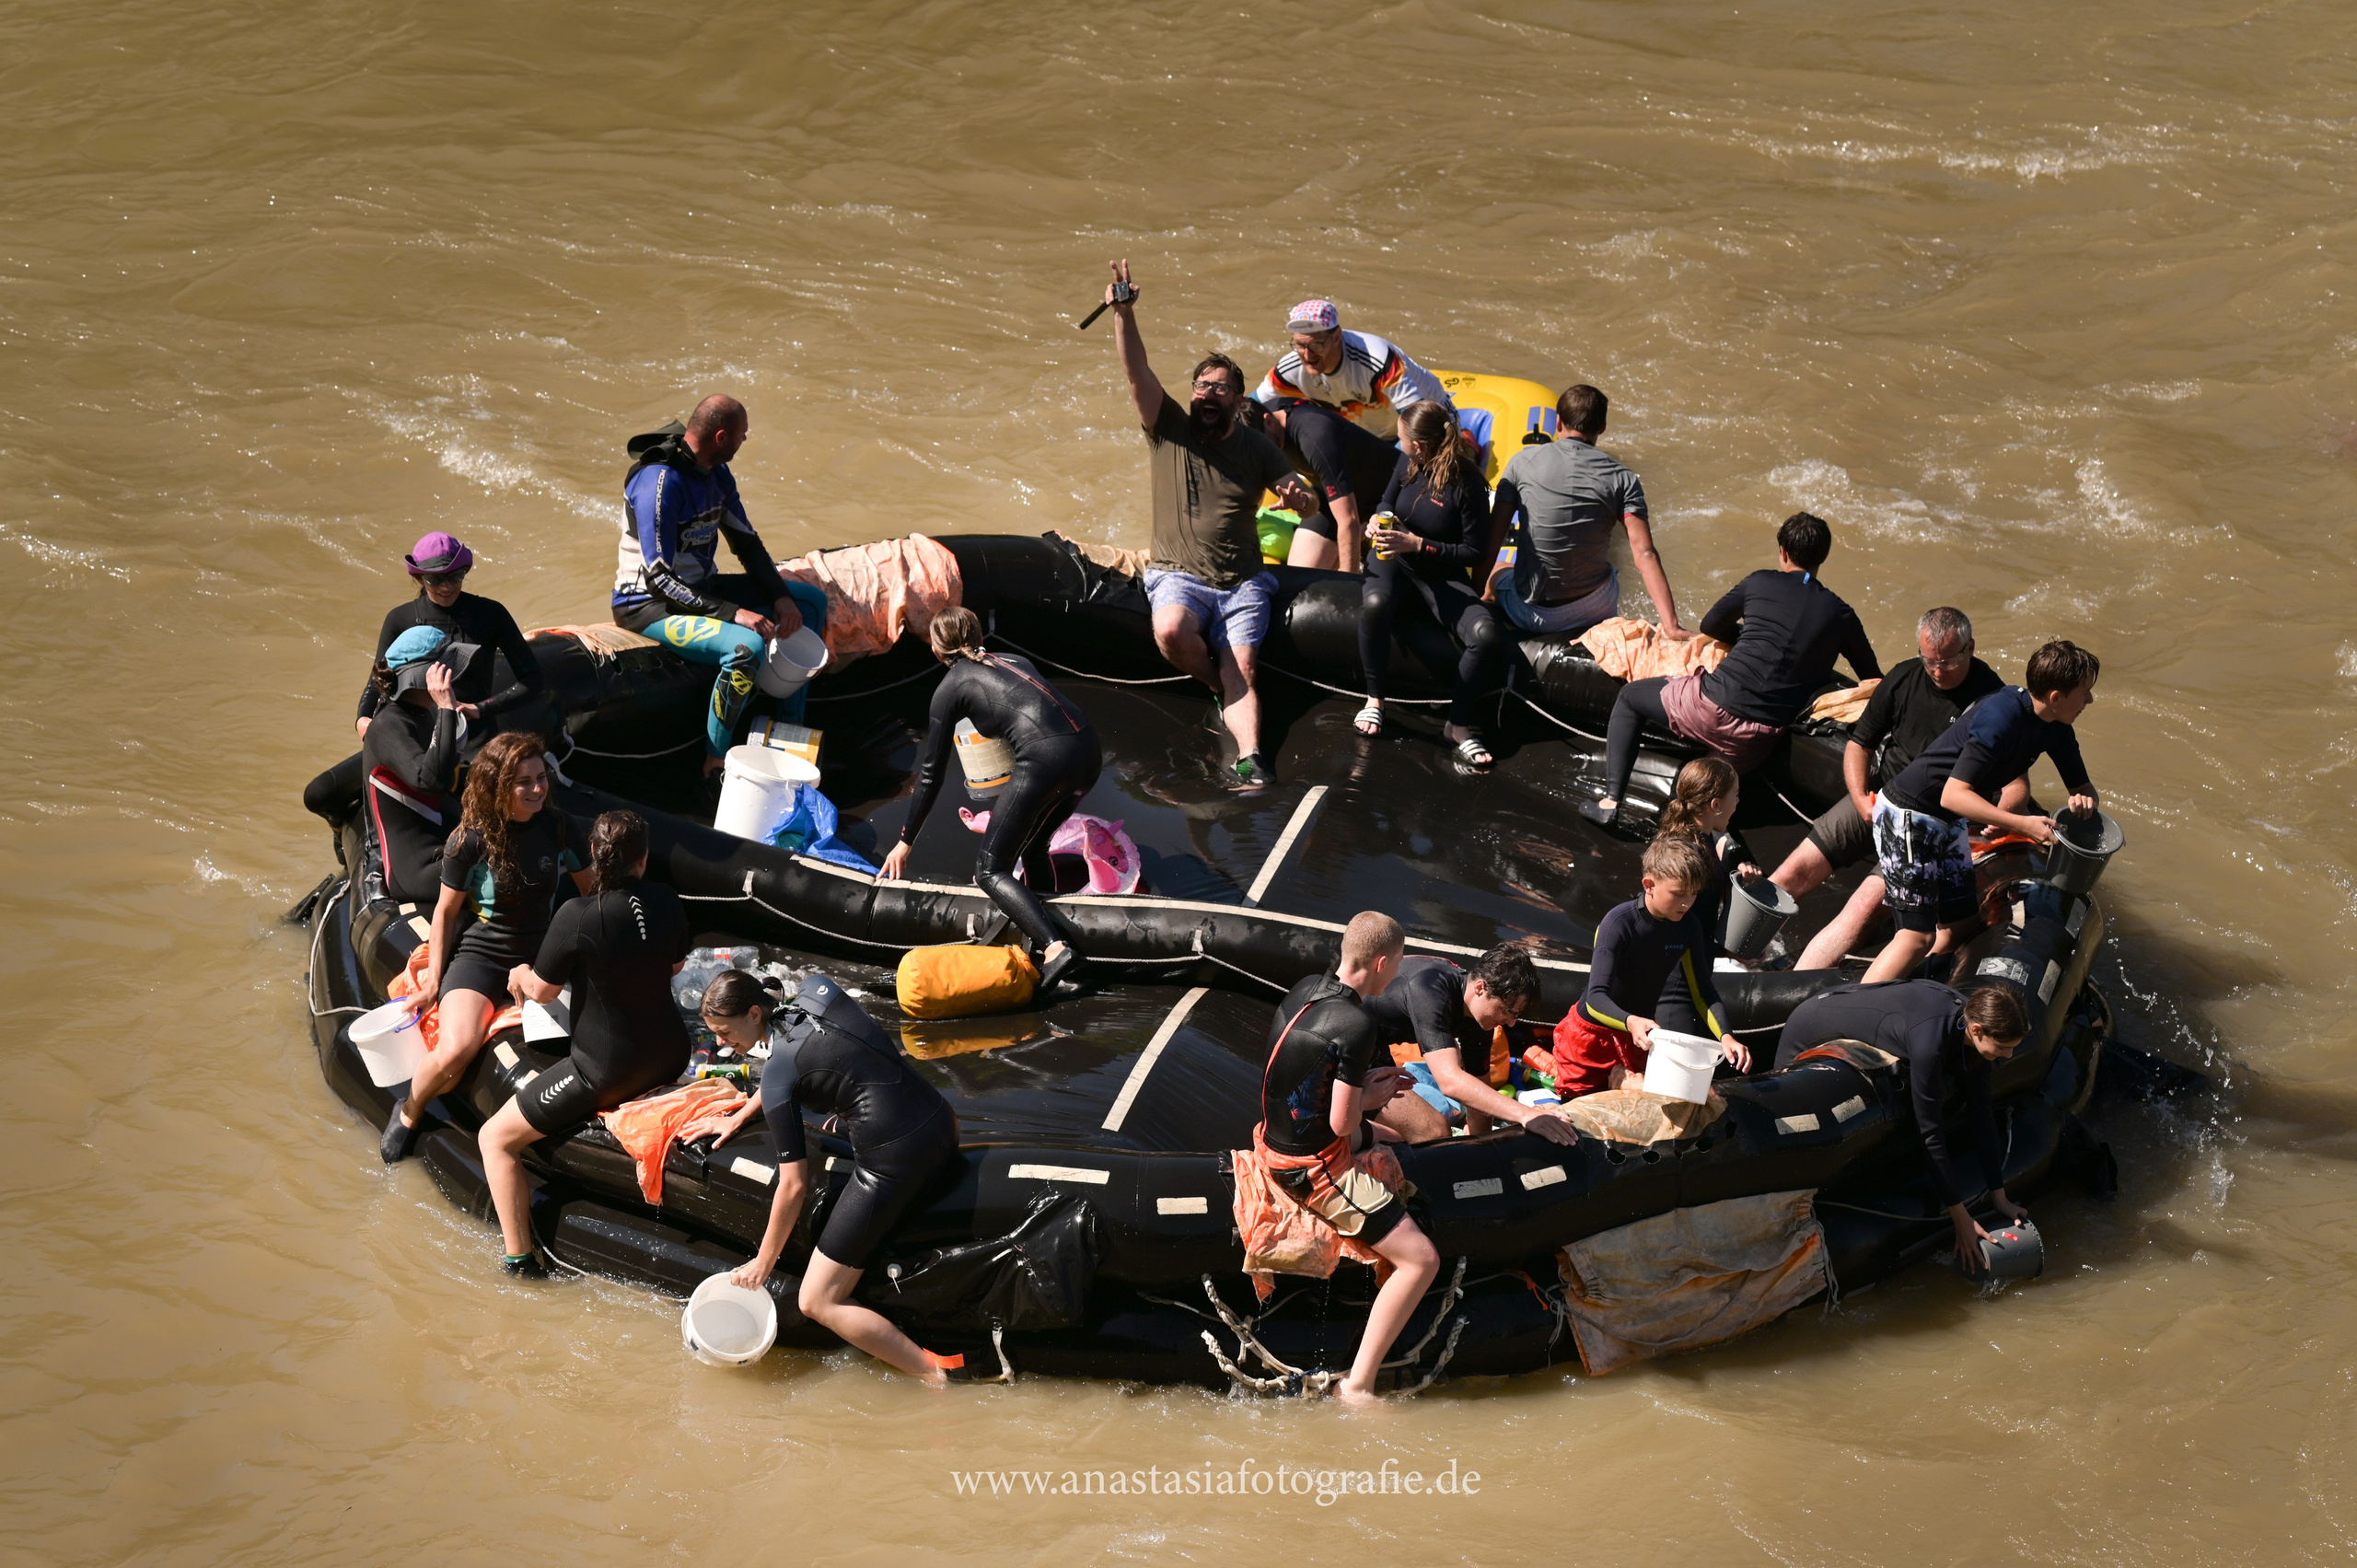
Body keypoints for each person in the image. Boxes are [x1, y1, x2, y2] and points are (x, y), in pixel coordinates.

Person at [1103, 260, 1319, 788]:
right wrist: (1124, 314)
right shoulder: (1169, 429)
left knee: (1242, 666)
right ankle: (1220, 689)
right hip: (1179, 575)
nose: (1206, 393)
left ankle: (1251, 757)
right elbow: (1137, 373)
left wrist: (1301, 498)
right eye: (1201, 385)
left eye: (1220, 388)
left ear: (1238, 400)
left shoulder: (1258, 448)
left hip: (1243, 581)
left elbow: (1309, 504)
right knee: (1171, 629)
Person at [718, 970, 972, 1385]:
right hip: (940, 1120)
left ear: (753, 1014)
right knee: (841, 1114)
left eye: (725, 1032)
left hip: (897, 1161)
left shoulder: (778, 1074)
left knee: (817, 1300)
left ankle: (936, 1376)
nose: (720, 1043)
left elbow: (794, 1185)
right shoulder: (818, 990)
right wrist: (741, 1115)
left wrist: (764, 1262)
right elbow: (816, 1057)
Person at [480, 811, 692, 1277]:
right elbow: (674, 967)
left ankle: (519, 1261)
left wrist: (519, 972)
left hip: (606, 1071)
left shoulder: (576, 914)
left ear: (594, 855)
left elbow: (542, 991)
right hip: (672, 1054)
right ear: (644, 858)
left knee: (493, 1138)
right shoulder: (667, 899)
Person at [1583, 512, 1881, 829]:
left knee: (1630, 698)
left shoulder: (1760, 581)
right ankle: (1706, 828)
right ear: (1823, 557)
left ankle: (1610, 802)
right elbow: (1873, 679)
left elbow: (1710, 625)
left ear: (1783, 551)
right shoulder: (1842, 614)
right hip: (1755, 740)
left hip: (1709, 706)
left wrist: (1748, 636)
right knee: (1705, 786)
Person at [1255, 912, 1439, 1406]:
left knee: (1394, 1140)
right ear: (1381, 963)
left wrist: (1369, 1089)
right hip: (1310, 1163)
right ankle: (1356, 1387)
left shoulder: (1307, 988)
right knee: (1421, 1260)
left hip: (1281, 1132)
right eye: (1396, 965)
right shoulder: (1358, 1023)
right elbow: (1341, 1125)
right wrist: (1373, 1098)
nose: (1395, 975)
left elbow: (1304, 1074)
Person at [382, 732, 591, 1164]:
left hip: (541, 957)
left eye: (541, 777)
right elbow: (445, 913)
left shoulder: (558, 826)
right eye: (524, 782)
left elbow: (593, 894)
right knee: (457, 1049)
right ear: (498, 786)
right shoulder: (470, 841)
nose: (538, 788)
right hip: (483, 957)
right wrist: (432, 983)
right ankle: (409, 1110)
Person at [1769, 608, 2012, 970]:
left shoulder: (1994, 701)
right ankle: (1730, 955)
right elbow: (1859, 745)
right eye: (1929, 660)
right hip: (1881, 794)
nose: (1937, 671)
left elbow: (2015, 783)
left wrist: (2001, 817)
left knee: (1864, 905)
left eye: (1948, 661)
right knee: (1793, 870)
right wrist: (1860, 800)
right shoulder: (1904, 677)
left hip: (1931, 824)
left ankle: (1795, 986)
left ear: (1970, 648)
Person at [878, 607, 1100, 996]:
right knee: (1034, 847)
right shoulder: (1015, 660)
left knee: (989, 869)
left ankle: (1056, 949)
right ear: (980, 636)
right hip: (1089, 750)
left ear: (936, 651)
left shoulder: (950, 688)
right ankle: (1047, 933)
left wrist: (905, 841)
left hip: (1046, 759)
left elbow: (930, 774)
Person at [610, 394, 830, 769]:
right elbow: (660, 579)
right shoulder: (659, 483)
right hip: (648, 604)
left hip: (701, 590)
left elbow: (747, 544)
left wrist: (780, 597)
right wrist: (733, 613)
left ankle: (788, 730)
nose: (745, 440)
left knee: (810, 602)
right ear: (721, 437)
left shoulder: (717, 475)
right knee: (746, 648)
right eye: (742, 434)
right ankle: (714, 763)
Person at [1863, 641, 2101, 983]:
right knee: (1917, 938)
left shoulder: (2058, 727)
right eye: (2084, 693)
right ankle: (1856, 1008)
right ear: (2055, 697)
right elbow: (1953, 795)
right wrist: (2022, 824)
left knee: (1958, 926)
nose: (2089, 700)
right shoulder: (2001, 716)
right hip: (1908, 813)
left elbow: (2084, 788)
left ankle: (1914, 990)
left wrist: (2085, 800)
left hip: (1947, 822)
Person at [1773, 980, 2031, 1275]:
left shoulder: (1973, 1030)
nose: (2009, 1056)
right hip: (1809, 1025)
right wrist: (1961, 1219)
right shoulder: (1929, 1042)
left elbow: (1982, 1113)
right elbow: (1930, 1132)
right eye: (2003, 1047)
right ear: (1977, 1030)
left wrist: (1999, 1196)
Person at [1353, 401, 1510, 767]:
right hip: (1393, 559)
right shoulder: (1406, 463)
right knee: (1375, 605)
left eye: (1401, 437)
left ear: (1420, 445)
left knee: (1486, 635)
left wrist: (1420, 544)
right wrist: (1376, 520)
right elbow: (1385, 502)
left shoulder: (1468, 483)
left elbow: (1474, 552)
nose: (1398, 441)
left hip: (1439, 571)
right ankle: (1375, 699)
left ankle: (1457, 726)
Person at [1251, 299, 1451, 572]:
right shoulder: (1290, 368)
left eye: (1315, 345)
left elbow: (1419, 425)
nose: (1307, 355)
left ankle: (1466, 444)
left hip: (1414, 428)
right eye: (1299, 345)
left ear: (1337, 337)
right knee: (1302, 570)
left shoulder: (1375, 359)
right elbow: (1249, 410)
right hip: (1359, 441)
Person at [1482, 384, 1686, 640]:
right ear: (1602, 427)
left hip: (1533, 613)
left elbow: (1492, 539)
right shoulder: (1623, 478)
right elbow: (1645, 554)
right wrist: (1671, 625)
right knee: (1607, 574)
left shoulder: (1521, 463)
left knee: (1499, 568)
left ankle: (1482, 617)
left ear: (1558, 422)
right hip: (1594, 608)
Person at [1552, 835, 1750, 1098]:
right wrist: (1629, 1021)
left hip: (1640, 1036)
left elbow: (1703, 992)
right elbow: (1595, 998)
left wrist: (1726, 1036)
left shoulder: (1688, 926)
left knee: (1637, 1107)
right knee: (1577, 1107)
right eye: (1678, 894)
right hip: (1593, 1035)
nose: (1687, 902)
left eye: (1694, 894)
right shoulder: (1618, 923)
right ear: (1649, 885)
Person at [1362, 944, 1579, 1145]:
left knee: (1440, 1136)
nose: (1511, 1023)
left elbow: (1478, 1090)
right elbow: (1450, 1082)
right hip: (1346, 1052)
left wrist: (1483, 1147)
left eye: (1516, 1015)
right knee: (1434, 1132)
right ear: (1480, 988)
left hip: (1374, 1051)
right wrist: (1527, 1115)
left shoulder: (1480, 1017)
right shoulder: (1430, 990)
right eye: (1507, 1011)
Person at [354, 531, 545, 744]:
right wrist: (362, 719)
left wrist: (480, 708)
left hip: (477, 737)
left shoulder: (491, 614)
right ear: (419, 578)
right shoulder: (400, 619)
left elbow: (534, 679)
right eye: (435, 579)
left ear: (465, 571)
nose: (446, 586)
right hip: (420, 740)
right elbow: (379, 679)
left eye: (455, 576)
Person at [358, 627, 474, 905]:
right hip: (419, 870)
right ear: (420, 676)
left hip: (448, 845)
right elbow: (432, 781)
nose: (451, 678)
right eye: (443, 670)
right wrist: (446, 710)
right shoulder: (387, 726)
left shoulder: (423, 712)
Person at [1652, 756, 1763, 957]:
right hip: (1681, 971)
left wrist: (1738, 878)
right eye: (1735, 795)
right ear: (1716, 805)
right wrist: (1727, 952)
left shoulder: (1699, 837)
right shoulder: (1687, 859)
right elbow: (1673, 940)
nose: (1738, 802)